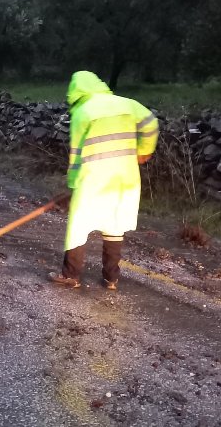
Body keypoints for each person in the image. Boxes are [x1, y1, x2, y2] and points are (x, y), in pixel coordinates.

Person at [49, 71, 158, 290]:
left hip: (93, 179)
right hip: (125, 179)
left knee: (79, 226)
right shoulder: (128, 104)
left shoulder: (83, 112)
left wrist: (73, 184)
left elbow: (76, 154)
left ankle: (71, 275)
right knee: (114, 225)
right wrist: (145, 150)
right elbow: (151, 123)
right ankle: (111, 279)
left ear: (75, 91)